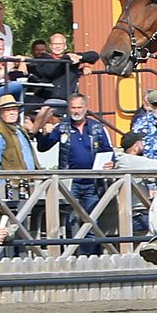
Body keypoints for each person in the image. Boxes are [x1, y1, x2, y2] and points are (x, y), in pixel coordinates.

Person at [33, 93, 114, 255]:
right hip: (71, 182)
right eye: (73, 108)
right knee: (71, 221)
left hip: (92, 182)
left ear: (86, 108)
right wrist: (44, 132)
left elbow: (109, 151)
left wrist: (110, 162)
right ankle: (73, 257)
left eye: (79, 107)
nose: (76, 111)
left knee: (91, 221)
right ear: (69, 109)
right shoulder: (62, 127)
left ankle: (91, 258)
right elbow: (43, 147)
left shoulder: (97, 128)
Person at [115, 131, 157, 235]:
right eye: (141, 143)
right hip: (136, 214)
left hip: (137, 211)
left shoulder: (123, 160)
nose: (143, 145)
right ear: (136, 146)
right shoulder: (129, 160)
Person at [28, 33, 99, 103]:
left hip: (66, 98)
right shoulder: (43, 59)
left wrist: (80, 58)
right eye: (55, 44)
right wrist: (67, 59)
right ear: (50, 46)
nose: (57, 46)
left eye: (60, 44)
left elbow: (94, 55)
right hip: (44, 97)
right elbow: (51, 71)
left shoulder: (72, 57)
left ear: (65, 46)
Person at [0, 94, 39, 172]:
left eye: (14, 109)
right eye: (7, 110)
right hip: (12, 182)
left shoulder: (20, 129)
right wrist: (2, 183)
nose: (12, 113)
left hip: (28, 180)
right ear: (1, 113)